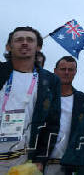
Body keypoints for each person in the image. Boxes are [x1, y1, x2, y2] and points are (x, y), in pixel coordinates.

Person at [0, 27, 60, 173]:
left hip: (23, 160)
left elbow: (52, 123)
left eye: (30, 40)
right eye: (19, 40)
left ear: (38, 46)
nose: (24, 43)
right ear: (9, 46)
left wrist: (41, 159)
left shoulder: (50, 80)